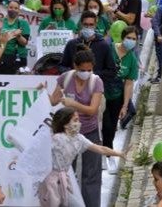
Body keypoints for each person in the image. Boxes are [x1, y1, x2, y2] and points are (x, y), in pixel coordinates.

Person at [36, 107, 126, 207]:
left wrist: (119, 153)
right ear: (65, 124)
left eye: (78, 120)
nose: (79, 123)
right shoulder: (56, 139)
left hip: (64, 180)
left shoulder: (79, 138)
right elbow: (38, 153)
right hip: (51, 182)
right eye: (75, 120)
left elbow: (100, 149)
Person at [49, 50, 105, 207]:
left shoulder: (96, 82)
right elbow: (53, 101)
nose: (86, 73)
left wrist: (74, 105)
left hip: (90, 131)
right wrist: (41, 91)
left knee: (91, 175)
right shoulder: (65, 78)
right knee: (64, 173)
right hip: (67, 133)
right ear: (75, 66)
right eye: (82, 70)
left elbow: (92, 109)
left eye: (89, 70)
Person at [103, 26, 139, 172]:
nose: (131, 41)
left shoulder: (132, 59)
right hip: (101, 93)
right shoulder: (109, 49)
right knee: (103, 125)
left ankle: (108, 154)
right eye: (128, 38)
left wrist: (125, 105)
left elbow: (129, 83)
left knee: (111, 127)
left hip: (116, 96)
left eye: (134, 39)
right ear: (122, 37)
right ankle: (103, 153)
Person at [0, 0, 30, 74]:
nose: (13, 10)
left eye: (16, 8)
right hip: (1, 55)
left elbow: (24, 43)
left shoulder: (23, 23)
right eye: (11, 7)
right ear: (7, 8)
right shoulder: (0, 21)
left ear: (19, 10)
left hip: (18, 57)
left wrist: (18, 36)